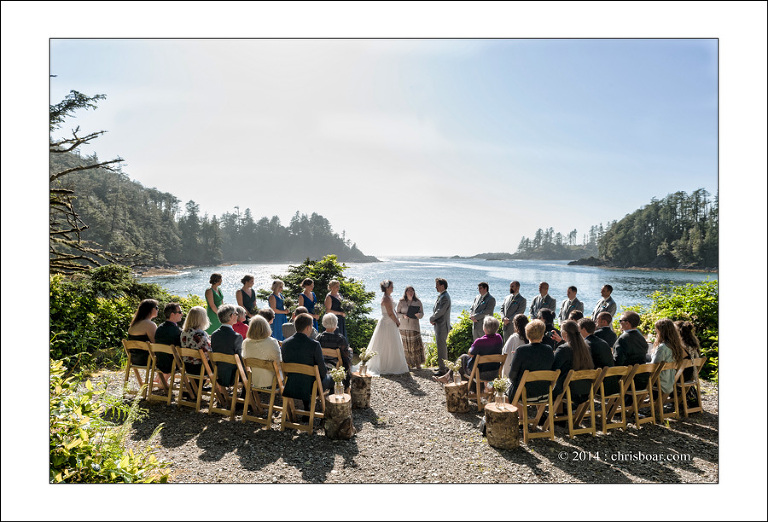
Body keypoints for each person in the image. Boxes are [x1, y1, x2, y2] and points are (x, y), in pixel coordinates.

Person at [281, 313, 333, 409]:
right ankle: (328, 411)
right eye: (312, 326)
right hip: (311, 387)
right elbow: (323, 372)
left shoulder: (284, 344)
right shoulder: (314, 345)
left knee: (304, 376)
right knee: (332, 379)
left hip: (292, 384)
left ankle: (307, 408)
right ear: (308, 327)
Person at [435, 316, 503, 384]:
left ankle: (455, 381)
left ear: (484, 328)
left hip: (480, 373)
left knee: (462, 359)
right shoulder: (499, 338)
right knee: (464, 358)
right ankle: (448, 377)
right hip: (495, 372)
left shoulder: (480, 341)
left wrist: (471, 348)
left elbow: (470, 354)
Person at [365, 280, 409, 376]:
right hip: (388, 323)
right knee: (387, 343)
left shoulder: (388, 297)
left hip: (389, 322)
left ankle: (390, 364)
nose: (393, 288)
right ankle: (386, 365)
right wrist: (397, 321)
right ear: (387, 287)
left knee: (390, 344)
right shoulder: (386, 298)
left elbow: (393, 310)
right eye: (391, 286)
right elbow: (390, 313)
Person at [506, 319, 556, 403]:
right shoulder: (548, 349)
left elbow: (512, 376)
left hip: (524, 394)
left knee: (506, 390)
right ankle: (539, 415)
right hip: (544, 393)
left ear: (527, 334)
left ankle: (520, 416)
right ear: (542, 334)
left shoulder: (521, 350)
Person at [551, 320, 595, 402]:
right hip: (585, 390)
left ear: (565, 333)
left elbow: (553, 368)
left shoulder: (564, 349)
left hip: (567, 391)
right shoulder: (585, 347)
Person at [241, 315, 282, 389]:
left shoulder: (246, 342)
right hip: (272, 379)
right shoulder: (272, 342)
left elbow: (245, 360)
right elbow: (279, 362)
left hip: (254, 379)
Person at [210, 304, 243, 392]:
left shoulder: (214, 335)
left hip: (217, 372)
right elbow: (240, 359)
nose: (237, 316)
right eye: (236, 313)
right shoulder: (236, 337)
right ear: (232, 316)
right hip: (232, 376)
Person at [614, 311, 650, 388]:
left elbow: (618, 360)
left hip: (626, 378)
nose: (619, 323)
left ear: (627, 323)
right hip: (640, 377)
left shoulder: (623, 339)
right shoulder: (641, 338)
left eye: (620, 321)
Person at [651, 318, 688, 396]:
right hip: (671, 380)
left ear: (661, 331)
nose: (655, 331)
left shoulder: (662, 347)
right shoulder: (677, 346)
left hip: (660, 381)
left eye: (656, 329)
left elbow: (653, 366)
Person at [316, 313, 352, 389]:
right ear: (336, 324)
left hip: (322, 364)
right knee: (349, 353)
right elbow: (345, 355)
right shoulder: (340, 338)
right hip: (335, 364)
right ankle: (345, 385)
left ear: (323, 323)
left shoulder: (319, 337)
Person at [396, 285, 426, 370]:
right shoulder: (401, 302)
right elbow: (397, 313)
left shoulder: (418, 302)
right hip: (403, 327)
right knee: (406, 347)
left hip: (414, 327)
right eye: (409, 291)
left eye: (412, 291)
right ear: (406, 292)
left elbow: (422, 314)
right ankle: (407, 364)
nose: (411, 292)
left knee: (415, 346)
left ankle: (418, 364)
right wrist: (403, 316)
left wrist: (419, 315)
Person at [180, 306, 212, 375]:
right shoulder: (200, 334)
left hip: (188, 366)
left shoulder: (184, 332)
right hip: (200, 368)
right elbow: (209, 352)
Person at [429, 278, 452, 376]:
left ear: (442, 286)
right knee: (440, 346)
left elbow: (440, 311)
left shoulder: (445, 297)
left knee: (442, 347)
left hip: (442, 325)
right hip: (439, 325)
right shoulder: (442, 296)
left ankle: (443, 369)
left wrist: (432, 318)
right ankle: (442, 366)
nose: (435, 287)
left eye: (437, 285)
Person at [127, 299, 159, 366]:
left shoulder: (133, 324)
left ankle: (160, 377)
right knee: (171, 362)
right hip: (147, 359)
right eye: (157, 308)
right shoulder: (150, 325)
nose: (158, 310)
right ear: (152, 309)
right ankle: (160, 377)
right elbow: (156, 344)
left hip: (134, 359)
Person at [154, 302, 183, 374]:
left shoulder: (160, 328)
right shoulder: (176, 331)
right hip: (173, 364)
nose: (182, 314)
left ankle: (161, 380)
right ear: (172, 315)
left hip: (159, 362)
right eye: (180, 312)